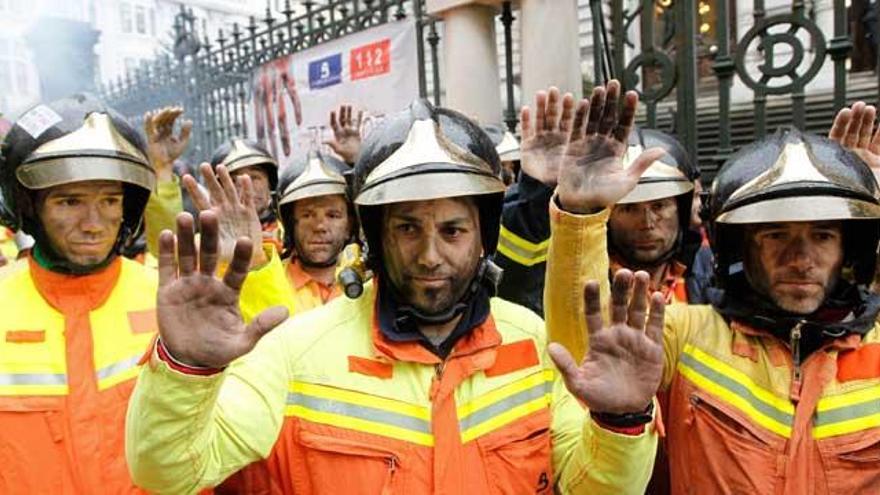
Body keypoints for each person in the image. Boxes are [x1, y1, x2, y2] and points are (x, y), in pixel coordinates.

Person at [126, 89, 665, 494]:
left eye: (452, 230)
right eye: (407, 229)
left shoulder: (534, 344)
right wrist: (186, 369)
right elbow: (170, 472)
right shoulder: (294, 351)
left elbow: (596, 488)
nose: (430, 255)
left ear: (483, 235)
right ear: (376, 238)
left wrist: (619, 424)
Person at [545, 122, 880, 493]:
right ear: (741, 248)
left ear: (848, 248)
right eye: (776, 235)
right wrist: (580, 215)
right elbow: (586, 346)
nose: (801, 259)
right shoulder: (687, 333)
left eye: (822, 236)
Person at [0, 94, 288, 493]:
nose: (93, 223)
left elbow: (269, 376)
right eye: (70, 201)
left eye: (110, 200)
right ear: (29, 206)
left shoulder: (175, 299)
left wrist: (254, 265)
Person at [494, 85, 710, 316]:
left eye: (659, 206)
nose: (647, 223)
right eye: (629, 209)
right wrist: (540, 197)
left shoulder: (711, 273)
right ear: (605, 216)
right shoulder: (575, 272)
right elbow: (517, 287)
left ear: (681, 208)